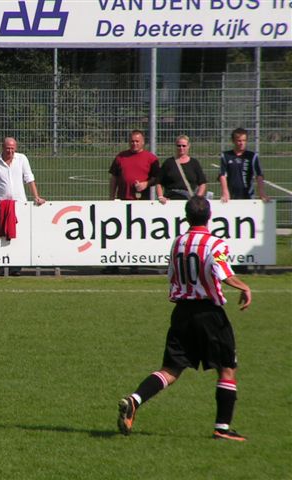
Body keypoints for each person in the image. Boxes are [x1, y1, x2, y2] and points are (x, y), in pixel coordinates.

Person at [117, 196, 252, 442]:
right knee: (227, 368)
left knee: (170, 369)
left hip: (181, 313)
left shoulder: (177, 243)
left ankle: (135, 400)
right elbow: (222, 272)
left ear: (187, 217)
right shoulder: (214, 243)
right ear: (209, 217)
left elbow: (172, 276)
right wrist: (244, 287)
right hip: (209, 314)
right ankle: (222, 428)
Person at [0, 137, 45, 276]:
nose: (10, 151)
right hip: (1, 204)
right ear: (2, 147)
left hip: (20, 203)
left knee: (18, 235)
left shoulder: (22, 159)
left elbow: (29, 178)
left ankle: (16, 268)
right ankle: (3, 266)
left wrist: (36, 196)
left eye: (13, 149)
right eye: (8, 148)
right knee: (1, 235)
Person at [106, 130, 159, 273]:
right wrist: (112, 197)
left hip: (141, 203)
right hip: (123, 201)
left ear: (143, 142)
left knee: (136, 233)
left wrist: (146, 184)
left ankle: (134, 263)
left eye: (137, 141)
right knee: (117, 233)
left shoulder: (151, 158)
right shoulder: (121, 157)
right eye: (132, 141)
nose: (134, 144)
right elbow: (114, 178)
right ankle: (114, 263)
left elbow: (157, 178)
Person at [219, 128, 269, 203]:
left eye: (244, 140)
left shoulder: (252, 156)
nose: (242, 143)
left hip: (248, 196)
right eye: (239, 141)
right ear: (233, 141)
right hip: (230, 197)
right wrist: (225, 192)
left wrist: (262, 192)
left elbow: (259, 175)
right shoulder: (226, 156)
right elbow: (222, 175)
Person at [156, 135, 208, 204]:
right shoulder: (168, 163)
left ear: (188, 146)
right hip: (170, 200)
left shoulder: (194, 163)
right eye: (179, 146)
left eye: (184, 146)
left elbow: (202, 183)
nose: (181, 148)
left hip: (189, 201)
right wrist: (160, 197)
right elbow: (158, 182)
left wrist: (197, 199)